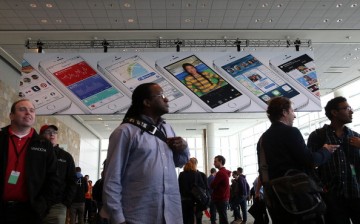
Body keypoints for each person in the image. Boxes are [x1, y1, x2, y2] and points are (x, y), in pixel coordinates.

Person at [102, 82, 190, 224]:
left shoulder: (168, 129)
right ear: (147, 102)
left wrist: (184, 147)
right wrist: (118, 218)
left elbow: (180, 162)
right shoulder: (125, 132)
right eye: (161, 96)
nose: (166, 99)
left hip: (171, 215)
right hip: (137, 216)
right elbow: (112, 179)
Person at [257, 96, 338, 224]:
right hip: (298, 198)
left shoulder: (262, 139)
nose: (294, 116)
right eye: (292, 111)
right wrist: (326, 151)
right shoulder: (290, 132)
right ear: (284, 112)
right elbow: (310, 160)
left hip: (276, 200)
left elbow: (263, 171)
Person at [0, 99, 59, 223]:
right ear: (11, 115)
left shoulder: (44, 145)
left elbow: (53, 179)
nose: (28, 113)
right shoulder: (1, 138)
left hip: (30, 211)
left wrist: (42, 206)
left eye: (32, 110)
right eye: (22, 109)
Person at [307, 96, 360, 224]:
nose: (351, 111)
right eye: (347, 108)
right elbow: (309, 165)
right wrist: (320, 187)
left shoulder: (356, 137)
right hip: (331, 198)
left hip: (356, 194)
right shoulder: (318, 136)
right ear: (334, 112)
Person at [40, 124, 77, 224]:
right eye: (48, 132)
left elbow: (72, 181)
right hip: (36, 204)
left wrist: (66, 202)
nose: (52, 134)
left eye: (54, 132)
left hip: (57, 205)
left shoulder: (66, 156)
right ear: (41, 135)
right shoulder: (36, 153)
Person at [178, 157, 208, 224]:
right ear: (195, 164)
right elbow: (203, 187)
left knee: (185, 219)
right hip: (194, 201)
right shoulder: (196, 174)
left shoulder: (181, 174)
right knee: (195, 219)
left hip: (184, 200)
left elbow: (179, 188)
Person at [210, 155, 231, 224]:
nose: (214, 163)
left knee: (223, 219)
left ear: (220, 161)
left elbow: (212, 185)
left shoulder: (220, 173)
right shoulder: (225, 172)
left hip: (221, 198)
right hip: (224, 198)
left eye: (215, 161)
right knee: (223, 217)